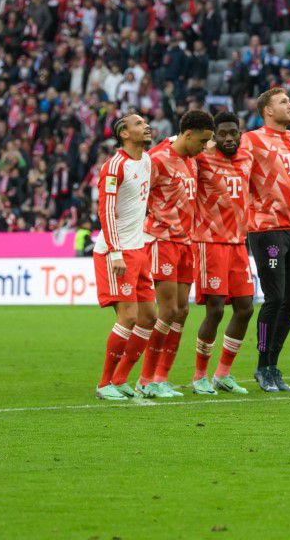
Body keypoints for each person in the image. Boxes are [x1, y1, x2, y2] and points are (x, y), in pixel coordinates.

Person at [138, 110, 214, 398]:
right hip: (161, 241)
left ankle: (161, 376)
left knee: (181, 311)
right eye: (203, 141)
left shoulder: (190, 160)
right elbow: (139, 195)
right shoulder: (158, 160)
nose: (206, 146)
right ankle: (145, 380)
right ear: (188, 135)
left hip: (185, 242)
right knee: (167, 310)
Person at [242, 87, 290, 393]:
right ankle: (261, 365)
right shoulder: (251, 139)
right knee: (275, 298)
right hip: (266, 228)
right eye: (284, 102)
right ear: (268, 110)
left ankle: (273, 364)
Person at [190, 112, 256, 395]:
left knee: (245, 308)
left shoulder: (247, 159)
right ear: (213, 136)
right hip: (209, 242)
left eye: (234, 132)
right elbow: (176, 149)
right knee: (215, 310)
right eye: (223, 134)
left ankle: (223, 373)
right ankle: (199, 375)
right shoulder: (201, 160)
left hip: (238, 244)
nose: (229, 138)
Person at [93, 114, 155, 401]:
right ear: (124, 133)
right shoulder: (114, 166)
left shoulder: (147, 160)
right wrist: (116, 251)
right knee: (128, 316)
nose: (146, 126)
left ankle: (120, 379)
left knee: (149, 317)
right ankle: (105, 383)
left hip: (139, 248)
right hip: (116, 252)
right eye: (139, 124)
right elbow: (105, 211)